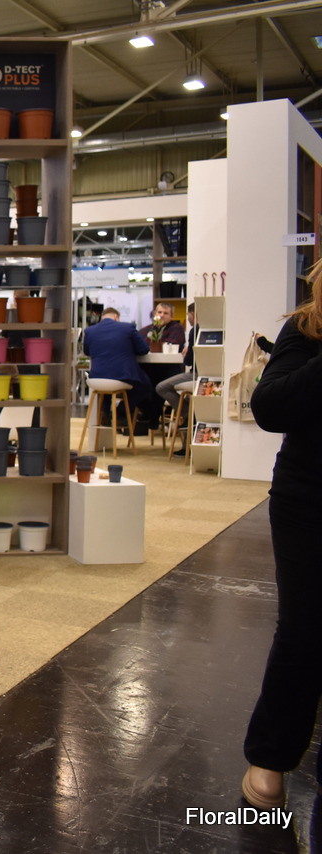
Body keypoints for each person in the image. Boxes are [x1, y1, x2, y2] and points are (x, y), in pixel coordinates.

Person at [240, 262, 322, 810]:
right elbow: (269, 408)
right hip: (309, 498)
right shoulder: (307, 326)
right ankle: (271, 756)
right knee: (304, 629)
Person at [81, 306, 153, 434]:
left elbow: (87, 351)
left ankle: (104, 411)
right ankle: (121, 411)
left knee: (106, 388)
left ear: (102, 317)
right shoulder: (128, 328)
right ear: (116, 317)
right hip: (123, 374)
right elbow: (143, 349)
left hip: (96, 377)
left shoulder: (90, 331)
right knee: (145, 386)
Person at [155, 304, 198, 412]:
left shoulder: (186, 329)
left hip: (190, 373)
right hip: (204, 374)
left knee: (160, 387)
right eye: (159, 312)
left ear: (192, 314)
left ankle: (188, 414)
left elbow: (188, 361)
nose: (161, 315)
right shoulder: (151, 329)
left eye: (165, 313)